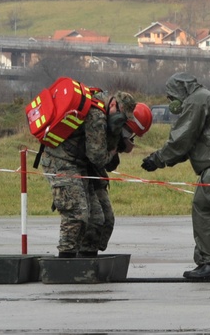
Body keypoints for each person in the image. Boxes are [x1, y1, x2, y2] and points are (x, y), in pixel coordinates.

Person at [141, 72, 210, 280]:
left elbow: (182, 138)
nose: (171, 103)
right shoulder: (206, 97)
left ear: (180, 90)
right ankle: (209, 260)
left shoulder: (196, 101)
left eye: (172, 97)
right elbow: (189, 145)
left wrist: (158, 159)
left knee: (204, 209)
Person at [41, 90, 152, 258]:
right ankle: (65, 262)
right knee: (77, 213)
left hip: (80, 163)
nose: (123, 129)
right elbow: (98, 157)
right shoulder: (97, 117)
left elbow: (103, 160)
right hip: (61, 160)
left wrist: (116, 144)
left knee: (98, 219)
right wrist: (114, 150)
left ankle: (86, 261)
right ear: (113, 105)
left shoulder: (108, 115)